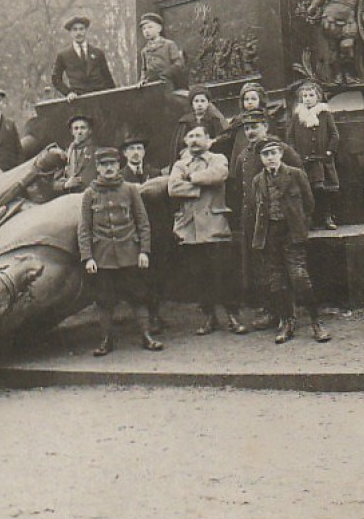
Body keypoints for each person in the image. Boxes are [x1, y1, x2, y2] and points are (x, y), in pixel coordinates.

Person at [78, 147, 162, 356]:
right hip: (103, 256)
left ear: (118, 166)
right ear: (97, 168)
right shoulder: (90, 193)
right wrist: (87, 257)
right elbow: (84, 228)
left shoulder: (130, 189)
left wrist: (144, 250)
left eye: (112, 165)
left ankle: (146, 336)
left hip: (129, 253)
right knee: (105, 300)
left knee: (139, 296)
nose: (108, 169)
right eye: (104, 165)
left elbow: (143, 222)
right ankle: (107, 340)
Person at [248, 140, 331, 345]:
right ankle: (287, 322)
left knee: (299, 277)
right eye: (265, 154)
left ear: (281, 154)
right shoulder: (258, 180)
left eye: (273, 152)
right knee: (276, 281)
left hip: (292, 232)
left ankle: (315, 322)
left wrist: (300, 224)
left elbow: (309, 203)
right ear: (261, 158)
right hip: (270, 234)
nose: (270, 157)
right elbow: (254, 207)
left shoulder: (295, 174)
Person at [168, 124, 247, 336]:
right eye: (190, 136)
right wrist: (201, 187)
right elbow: (173, 187)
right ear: (185, 141)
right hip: (190, 229)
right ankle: (209, 317)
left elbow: (220, 175)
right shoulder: (179, 164)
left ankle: (233, 316)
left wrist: (192, 178)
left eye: (198, 136)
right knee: (200, 275)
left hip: (215, 224)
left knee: (224, 273)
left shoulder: (218, 158)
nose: (194, 140)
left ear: (208, 139)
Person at [233, 114, 304, 329]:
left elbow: (297, 174)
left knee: (282, 266)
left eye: (255, 127)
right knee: (261, 267)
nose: (250, 132)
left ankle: (287, 313)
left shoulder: (279, 150)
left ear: (265, 127)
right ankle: (271, 310)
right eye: (246, 128)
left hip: (278, 220)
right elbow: (239, 187)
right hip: (253, 220)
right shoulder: (243, 155)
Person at [119, 136, 167, 334]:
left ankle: (155, 313)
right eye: (131, 149)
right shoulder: (120, 177)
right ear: (125, 154)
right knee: (139, 276)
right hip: (132, 232)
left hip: (156, 231)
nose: (136, 152)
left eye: (139, 148)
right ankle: (146, 317)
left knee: (157, 274)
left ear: (144, 152)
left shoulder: (154, 173)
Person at [286, 80, 340, 229]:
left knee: (323, 190)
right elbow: (290, 137)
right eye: (305, 96)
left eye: (311, 95)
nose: (308, 98)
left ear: (318, 97)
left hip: (322, 160)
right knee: (307, 189)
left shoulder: (324, 114)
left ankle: (327, 217)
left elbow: (334, 135)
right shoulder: (297, 116)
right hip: (304, 161)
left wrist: (329, 151)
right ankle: (310, 218)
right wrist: (294, 154)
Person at [51, 16, 116, 100]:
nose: (79, 33)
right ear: (70, 32)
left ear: (85, 31)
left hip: (100, 98)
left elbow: (108, 79)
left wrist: (113, 98)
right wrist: (68, 92)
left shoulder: (97, 53)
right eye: (75, 30)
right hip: (79, 100)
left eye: (81, 29)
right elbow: (56, 78)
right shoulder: (63, 55)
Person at [171, 85, 228, 162]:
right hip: (189, 156)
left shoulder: (213, 119)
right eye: (196, 101)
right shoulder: (185, 121)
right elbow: (179, 144)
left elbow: (221, 137)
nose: (199, 104)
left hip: (210, 155)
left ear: (208, 103)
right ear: (192, 103)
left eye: (203, 101)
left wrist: (213, 141)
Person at [138, 13, 186, 89]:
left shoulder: (169, 45)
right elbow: (144, 69)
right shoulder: (144, 51)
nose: (146, 31)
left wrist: (167, 73)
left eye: (150, 27)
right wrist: (142, 80)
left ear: (159, 28)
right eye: (144, 28)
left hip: (169, 82)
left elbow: (179, 63)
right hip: (152, 85)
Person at [55, 114, 98, 193]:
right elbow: (54, 182)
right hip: (70, 197)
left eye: (83, 128)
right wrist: (65, 184)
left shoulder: (97, 152)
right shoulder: (67, 153)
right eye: (76, 128)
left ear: (90, 131)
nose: (79, 132)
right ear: (72, 132)